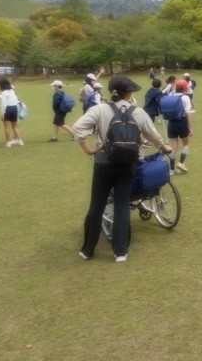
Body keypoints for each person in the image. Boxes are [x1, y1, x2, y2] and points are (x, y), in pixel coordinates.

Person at [72, 76, 173, 263]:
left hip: (103, 163)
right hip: (128, 164)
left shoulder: (99, 109)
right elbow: (152, 134)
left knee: (97, 205)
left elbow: (78, 128)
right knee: (122, 205)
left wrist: (88, 149)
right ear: (128, 94)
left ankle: (88, 250)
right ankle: (120, 251)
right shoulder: (138, 112)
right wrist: (163, 146)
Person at [167, 79, 193, 175]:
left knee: (173, 148)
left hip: (171, 123)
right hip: (182, 122)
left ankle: (172, 170)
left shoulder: (170, 96)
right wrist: (191, 127)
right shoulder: (185, 97)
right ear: (184, 88)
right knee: (186, 144)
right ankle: (181, 163)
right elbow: (188, 113)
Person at [0, 78, 23, 147]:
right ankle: (20, 141)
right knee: (15, 126)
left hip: (8, 109)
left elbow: (4, 104)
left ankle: (8, 142)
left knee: (6, 127)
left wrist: (2, 114)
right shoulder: (12, 91)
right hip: (14, 108)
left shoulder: (3, 93)